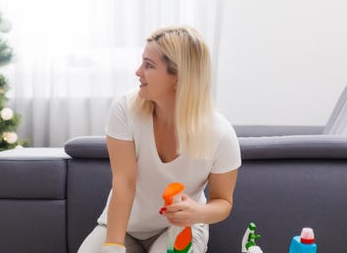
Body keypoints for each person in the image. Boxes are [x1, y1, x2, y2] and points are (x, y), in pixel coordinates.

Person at [77, 26, 241, 253]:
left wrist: (196, 212)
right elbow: (123, 183)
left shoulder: (220, 134)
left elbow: (223, 202)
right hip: (125, 227)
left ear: (179, 77)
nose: (138, 72)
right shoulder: (125, 110)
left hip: (181, 228)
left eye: (149, 65)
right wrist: (113, 246)